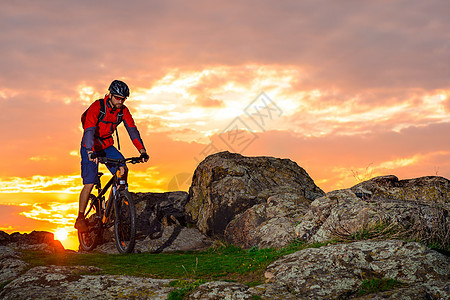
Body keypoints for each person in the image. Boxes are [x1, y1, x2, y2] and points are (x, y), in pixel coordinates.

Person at [75, 80, 149, 232]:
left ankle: (118, 199)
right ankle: (80, 217)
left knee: (123, 168)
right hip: (90, 146)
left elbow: (132, 131)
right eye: (117, 98)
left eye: (123, 99)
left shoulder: (123, 111)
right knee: (89, 182)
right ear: (109, 94)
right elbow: (88, 130)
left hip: (107, 145)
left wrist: (142, 150)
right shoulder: (97, 107)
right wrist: (90, 151)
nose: (120, 101)